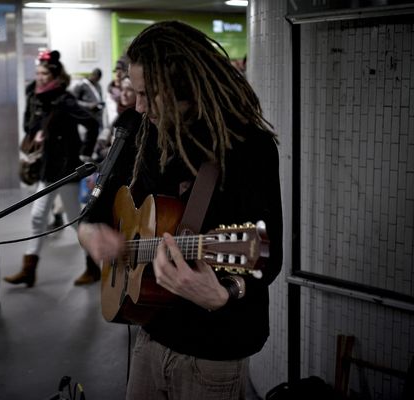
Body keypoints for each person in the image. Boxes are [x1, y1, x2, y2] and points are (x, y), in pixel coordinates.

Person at [77, 21, 283, 399]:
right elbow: (97, 207)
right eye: (134, 92)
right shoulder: (141, 131)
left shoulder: (247, 147)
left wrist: (227, 292)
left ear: (185, 86)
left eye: (148, 94)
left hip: (213, 348)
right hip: (150, 326)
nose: (138, 106)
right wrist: (91, 232)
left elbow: (266, 254)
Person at [3, 50, 100, 287]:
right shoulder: (36, 96)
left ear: (55, 75)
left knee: (74, 220)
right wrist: (34, 115)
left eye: (44, 73)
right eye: (37, 73)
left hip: (66, 168)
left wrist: (84, 153)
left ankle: (94, 265)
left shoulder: (64, 99)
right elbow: (29, 125)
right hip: (47, 167)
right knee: (38, 216)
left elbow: (91, 123)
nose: (39, 77)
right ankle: (29, 269)